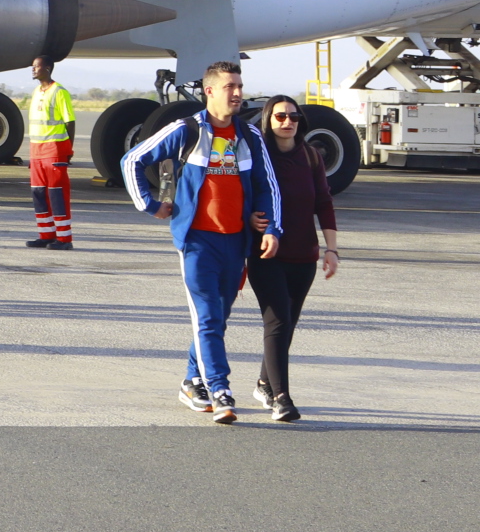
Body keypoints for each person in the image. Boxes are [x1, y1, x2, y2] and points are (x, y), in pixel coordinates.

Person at [120, 61, 284, 425]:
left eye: (239, 86)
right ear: (209, 91)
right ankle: (220, 390)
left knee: (218, 318)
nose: (238, 93)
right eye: (230, 87)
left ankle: (192, 381)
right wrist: (149, 204)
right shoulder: (187, 130)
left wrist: (271, 228)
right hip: (197, 242)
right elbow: (132, 160)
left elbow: (267, 185)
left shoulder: (250, 136)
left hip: (235, 243)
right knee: (207, 317)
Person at [246, 95, 339, 423]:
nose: (288, 122)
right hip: (267, 253)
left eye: (294, 116)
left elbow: (323, 202)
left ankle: (264, 384)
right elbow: (241, 193)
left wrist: (331, 249)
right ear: (268, 120)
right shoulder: (257, 155)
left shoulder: (310, 156)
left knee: (287, 324)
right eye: (280, 116)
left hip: (304, 255)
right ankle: (281, 398)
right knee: (278, 322)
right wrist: (248, 217)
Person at [25, 55, 77, 250]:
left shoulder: (59, 92)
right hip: (36, 151)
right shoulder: (36, 92)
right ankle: (46, 235)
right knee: (39, 194)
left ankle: (64, 239)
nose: (33, 70)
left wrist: (68, 149)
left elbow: (69, 122)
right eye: (33, 66)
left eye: (36, 66)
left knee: (57, 195)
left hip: (54, 151)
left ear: (47, 68)